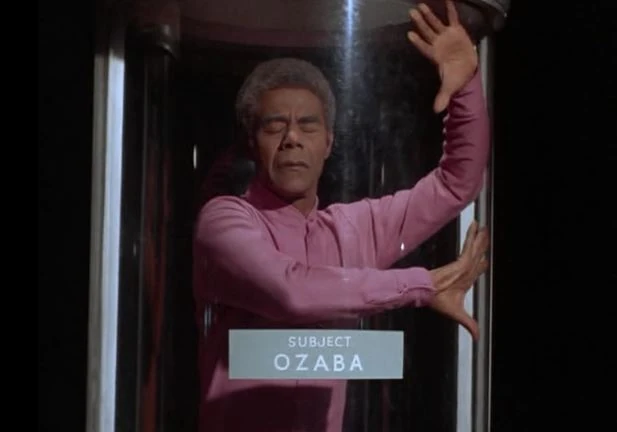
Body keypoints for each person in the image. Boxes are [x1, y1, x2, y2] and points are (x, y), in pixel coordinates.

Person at [192, 1, 490, 431]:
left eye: (308, 125)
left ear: (329, 143)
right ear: (251, 143)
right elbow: (291, 292)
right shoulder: (223, 221)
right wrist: (420, 285)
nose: (292, 138)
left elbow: (455, 184)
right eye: (275, 125)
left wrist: (465, 89)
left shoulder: (353, 229)